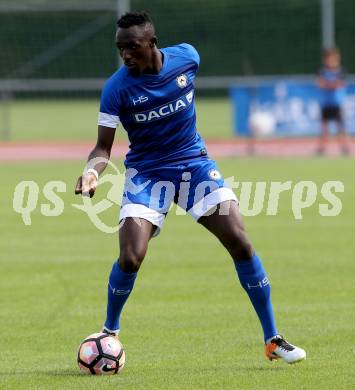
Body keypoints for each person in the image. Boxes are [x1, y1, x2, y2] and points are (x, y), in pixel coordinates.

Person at [75, 11, 306, 364]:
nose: (125, 55)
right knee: (131, 256)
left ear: (152, 43)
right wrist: (92, 172)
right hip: (147, 174)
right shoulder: (116, 88)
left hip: (194, 166)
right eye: (120, 47)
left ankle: (273, 339)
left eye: (132, 46)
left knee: (240, 242)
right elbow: (103, 148)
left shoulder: (187, 58)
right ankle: (109, 331)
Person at [316, 47, 349, 155]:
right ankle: (322, 148)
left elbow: (341, 84)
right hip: (326, 103)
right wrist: (332, 84)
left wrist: (328, 84)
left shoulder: (340, 71)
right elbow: (320, 84)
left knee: (340, 127)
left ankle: (344, 147)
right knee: (324, 127)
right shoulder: (322, 71)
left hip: (337, 103)